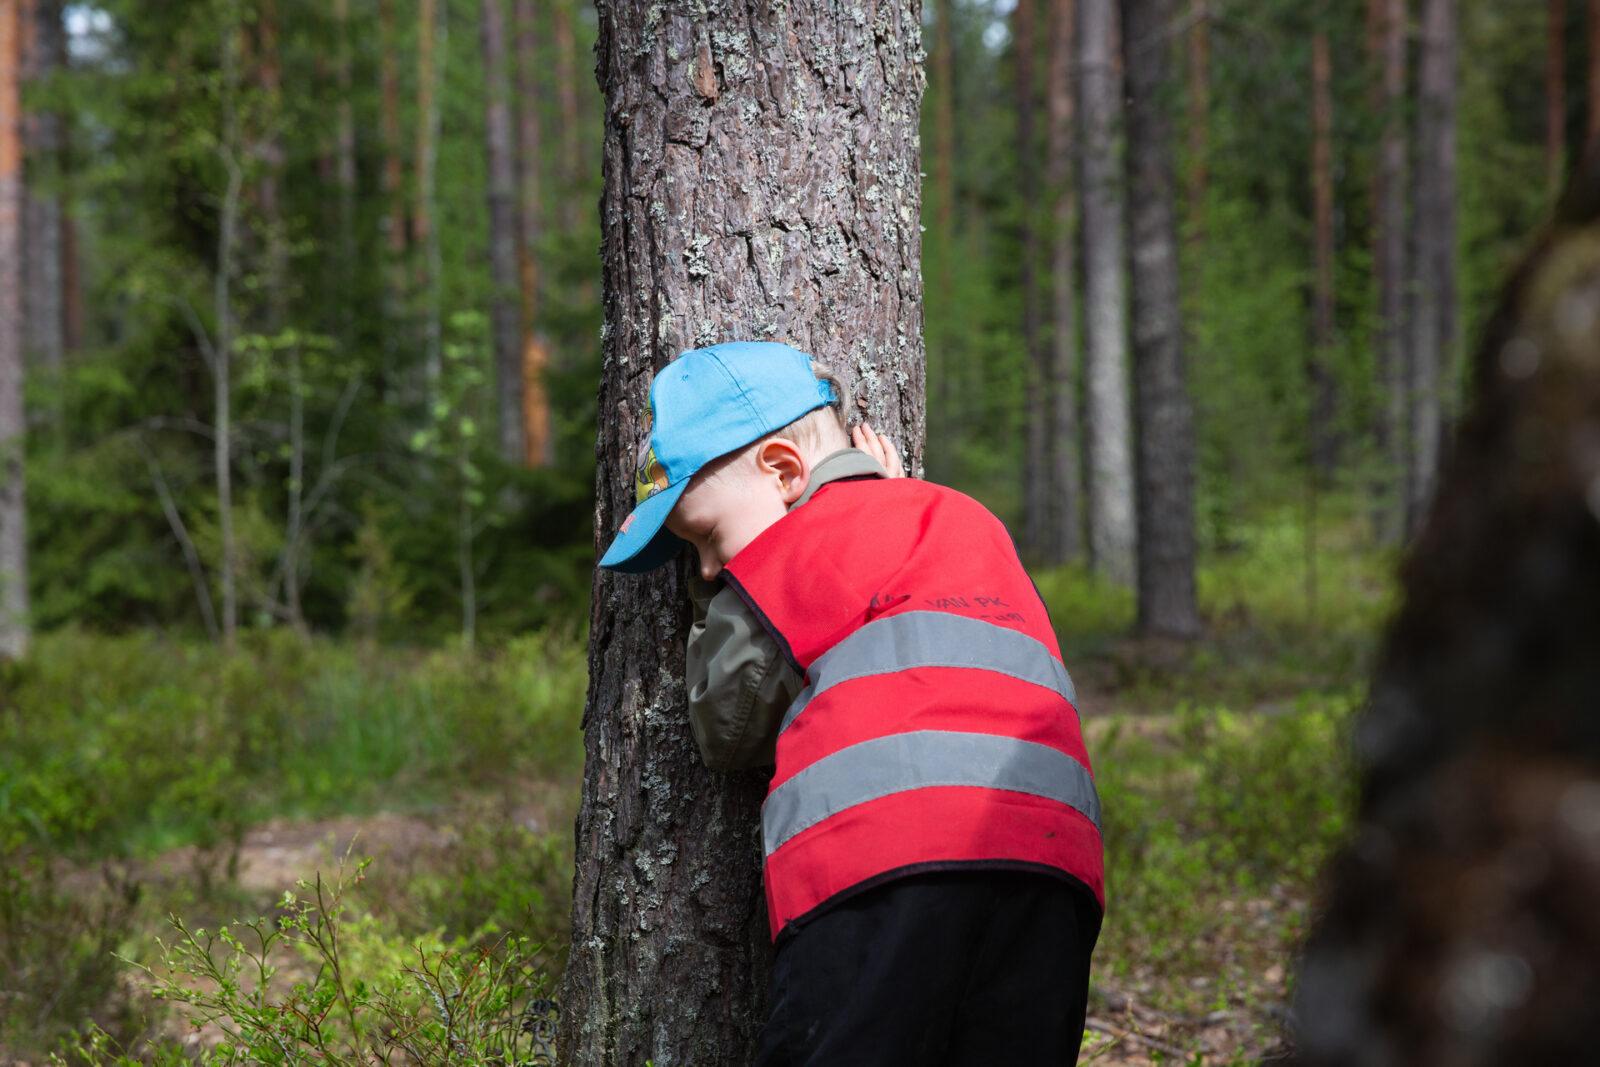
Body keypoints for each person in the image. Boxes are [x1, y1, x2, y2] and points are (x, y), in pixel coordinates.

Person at [599, 340, 1105, 1067]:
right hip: (1050, 855)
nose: (708, 565)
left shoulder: (798, 541)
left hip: (884, 861)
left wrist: (716, 595)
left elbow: (726, 723)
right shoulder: (959, 516)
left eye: (705, 538)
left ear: (783, 471)